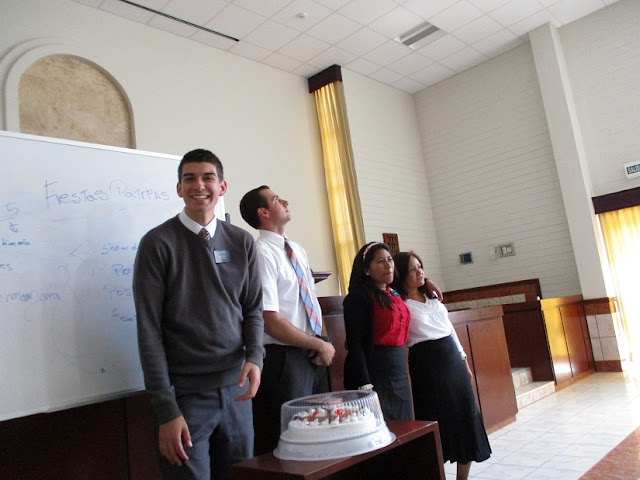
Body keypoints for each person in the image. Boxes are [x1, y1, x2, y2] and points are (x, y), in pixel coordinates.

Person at [133, 149, 264, 480]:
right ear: (179, 188)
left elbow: (252, 309)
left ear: (222, 187)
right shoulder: (157, 244)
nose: (199, 185)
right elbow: (149, 332)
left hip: (237, 391)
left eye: (208, 177)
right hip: (186, 397)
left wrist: (255, 356)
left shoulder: (242, 242)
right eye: (189, 178)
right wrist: (166, 410)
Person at [239, 185, 335, 455]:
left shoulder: (296, 250)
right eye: (276, 199)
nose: (285, 201)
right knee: (291, 442)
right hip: (283, 360)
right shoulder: (261, 254)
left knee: (320, 436)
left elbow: (310, 301)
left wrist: (322, 341)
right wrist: (317, 344)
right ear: (263, 212)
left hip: (313, 353)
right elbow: (269, 319)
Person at [392, 251, 491, 480]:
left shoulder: (432, 296)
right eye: (412, 269)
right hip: (427, 365)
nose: (419, 272)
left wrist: (464, 359)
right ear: (401, 275)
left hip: (452, 359)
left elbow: (449, 329)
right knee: (437, 420)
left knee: (466, 416)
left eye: (420, 266)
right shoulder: (400, 304)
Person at [342, 242, 415, 420]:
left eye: (390, 260)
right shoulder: (358, 297)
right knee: (379, 425)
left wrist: (427, 283)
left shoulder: (394, 292)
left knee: (404, 424)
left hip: (398, 369)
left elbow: (415, 279)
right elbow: (355, 344)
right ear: (367, 270)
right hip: (373, 371)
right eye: (380, 261)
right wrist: (364, 383)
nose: (388, 265)